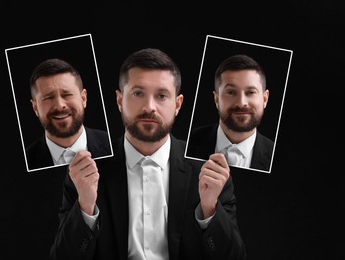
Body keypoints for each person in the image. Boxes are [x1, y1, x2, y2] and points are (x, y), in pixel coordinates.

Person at [49, 48, 246, 259]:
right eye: (138, 94)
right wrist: (85, 208)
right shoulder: (85, 171)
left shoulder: (209, 169)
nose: (149, 107)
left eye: (161, 96)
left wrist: (209, 210)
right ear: (119, 100)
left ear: (177, 104)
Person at [186, 54, 274, 172]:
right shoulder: (187, 143)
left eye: (250, 92)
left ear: (265, 99)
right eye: (231, 92)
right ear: (216, 99)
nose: (241, 103)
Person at [26, 58, 112, 171]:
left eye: (67, 94)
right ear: (35, 107)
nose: (59, 105)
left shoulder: (115, 146)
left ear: (83, 98)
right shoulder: (27, 160)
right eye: (49, 97)